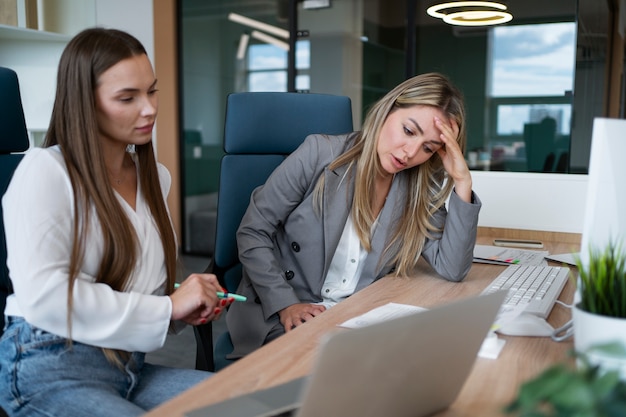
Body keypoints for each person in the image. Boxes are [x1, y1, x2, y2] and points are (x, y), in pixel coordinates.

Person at [0, 28, 231, 417]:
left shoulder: (155, 177)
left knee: (247, 402)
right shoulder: (45, 172)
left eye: (152, 91)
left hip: (128, 366)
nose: (150, 109)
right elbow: (46, 297)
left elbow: (139, 288)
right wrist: (169, 308)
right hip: (50, 364)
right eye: (127, 97)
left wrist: (182, 308)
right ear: (85, 103)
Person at [226, 72, 482, 359]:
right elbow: (252, 231)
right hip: (286, 312)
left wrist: (462, 181)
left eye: (428, 148)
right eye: (409, 131)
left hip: (356, 316)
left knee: (430, 360)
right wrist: (286, 304)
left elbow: (453, 268)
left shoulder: (417, 189)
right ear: (387, 110)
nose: (410, 153)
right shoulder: (319, 153)